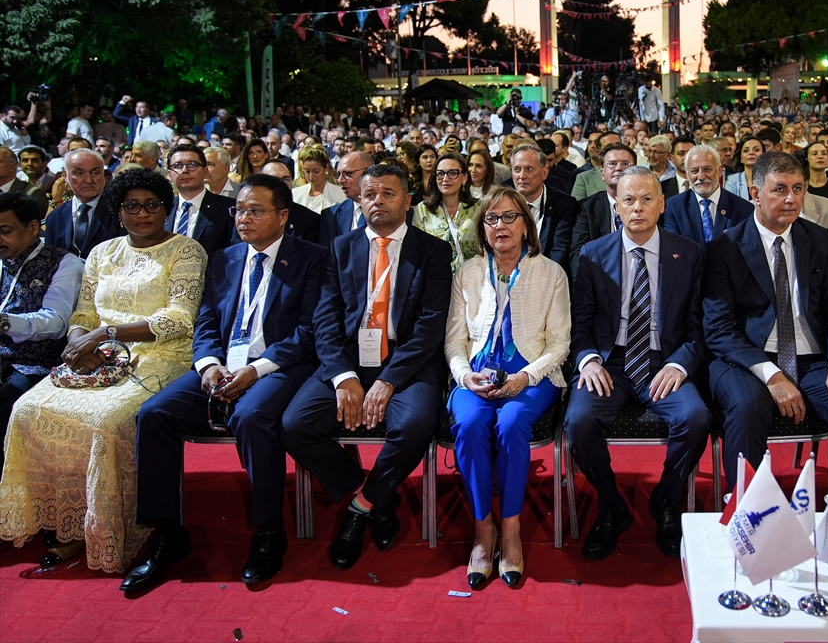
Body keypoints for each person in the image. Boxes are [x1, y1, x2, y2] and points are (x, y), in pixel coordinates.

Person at [121, 175, 326, 592]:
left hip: (277, 367)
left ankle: (269, 532)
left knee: (252, 417)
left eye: (255, 210)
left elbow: (308, 331)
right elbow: (207, 320)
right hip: (221, 367)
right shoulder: (223, 259)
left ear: (283, 216)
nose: (243, 219)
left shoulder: (312, 258)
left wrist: (256, 369)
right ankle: (168, 534)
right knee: (155, 414)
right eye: (239, 210)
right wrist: (209, 364)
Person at [0, 169, 207, 571]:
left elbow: (180, 319)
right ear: (118, 210)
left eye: (152, 205)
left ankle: (115, 525)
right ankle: (69, 522)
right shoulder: (102, 252)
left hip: (159, 356)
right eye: (131, 205)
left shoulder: (186, 250)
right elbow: (82, 311)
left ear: (166, 207)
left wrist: (103, 334)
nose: (142, 213)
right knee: (27, 409)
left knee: (106, 420)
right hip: (92, 354)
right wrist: (79, 343)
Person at [281, 164, 451, 571]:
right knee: (295, 425)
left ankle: (358, 508)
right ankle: (378, 495)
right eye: (370, 194)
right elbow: (324, 321)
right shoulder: (339, 248)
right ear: (359, 200)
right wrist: (345, 378)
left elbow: (430, 328)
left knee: (414, 424)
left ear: (408, 201)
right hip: (349, 362)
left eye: (389, 194)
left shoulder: (433, 251)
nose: (378, 201)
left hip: (407, 363)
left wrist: (389, 380)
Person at [702, 151, 828, 499]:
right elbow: (719, 328)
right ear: (754, 193)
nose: (791, 198)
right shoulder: (725, 247)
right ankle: (746, 511)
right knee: (746, 406)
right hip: (747, 359)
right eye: (780, 189)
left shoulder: (819, 239)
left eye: (798, 189)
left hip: (811, 358)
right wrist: (772, 375)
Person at [567, 167, 710, 560]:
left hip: (663, 362)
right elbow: (580, 324)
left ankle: (666, 498)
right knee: (578, 422)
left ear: (662, 204)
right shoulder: (593, 254)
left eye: (647, 198)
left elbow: (700, 326)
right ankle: (611, 505)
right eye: (628, 199)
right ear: (616, 206)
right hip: (609, 363)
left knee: (696, 418)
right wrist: (588, 360)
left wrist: (680, 365)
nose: (638, 207)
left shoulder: (689, 253)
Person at [445, 188, 570, 589]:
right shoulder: (466, 273)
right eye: (491, 219)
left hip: (531, 373)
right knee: (468, 424)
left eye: (510, 217)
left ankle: (511, 530)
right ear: (482, 228)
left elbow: (560, 345)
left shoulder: (551, 272)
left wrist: (525, 377)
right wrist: (465, 376)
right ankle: (484, 531)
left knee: (513, 423)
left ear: (526, 225)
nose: (501, 226)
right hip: (477, 373)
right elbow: (454, 341)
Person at [0, 193, 85, 442]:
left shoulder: (65, 264)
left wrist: (5, 322)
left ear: (34, 227)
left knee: (8, 400)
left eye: (5, 230)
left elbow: (57, 322)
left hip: (34, 363)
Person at [663, 145, 753, 247]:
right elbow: (673, 248)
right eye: (694, 171)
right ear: (687, 175)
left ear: (720, 171)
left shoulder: (743, 208)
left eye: (707, 169)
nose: (701, 176)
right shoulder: (674, 207)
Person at [570, 144, 637, 277]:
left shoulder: (648, 205)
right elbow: (579, 252)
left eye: (626, 163)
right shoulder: (586, 207)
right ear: (602, 174)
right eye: (612, 164)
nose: (619, 168)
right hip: (599, 279)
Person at [43, 149, 123, 258]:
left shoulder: (120, 211)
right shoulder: (55, 217)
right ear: (66, 176)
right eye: (79, 173)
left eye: (95, 173)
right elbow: (50, 261)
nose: (89, 180)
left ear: (103, 175)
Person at [509, 144, 576, 272]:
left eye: (529, 169)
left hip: (547, 275)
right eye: (517, 170)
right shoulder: (502, 203)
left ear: (544, 173)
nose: (522, 176)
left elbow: (560, 249)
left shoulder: (563, 203)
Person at [164, 144, 238, 256]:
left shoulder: (228, 208)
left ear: (205, 171)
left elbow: (235, 253)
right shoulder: (162, 208)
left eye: (192, 164)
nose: (185, 170)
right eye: (178, 165)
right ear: (169, 174)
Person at [413, 152, 478, 273]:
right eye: (440, 173)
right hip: (435, 278)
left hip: (472, 278)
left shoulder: (479, 208)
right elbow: (418, 250)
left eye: (453, 173)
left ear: (464, 178)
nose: (445, 179)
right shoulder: (423, 209)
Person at [319, 151, 375, 245]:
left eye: (348, 173)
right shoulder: (331, 215)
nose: (340, 180)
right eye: (338, 175)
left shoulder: (394, 210)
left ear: (369, 172)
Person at [261, 160, 321, 244]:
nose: (282, 184)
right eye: (275, 180)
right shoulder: (247, 215)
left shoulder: (310, 220)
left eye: (286, 179)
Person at [293, 145, 345, 212]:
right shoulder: (295, 194)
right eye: (307, 171)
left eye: (316, 171)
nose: (311, 176)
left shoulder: (340, 194)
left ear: (326, 168)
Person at [724, 136, 763, 200]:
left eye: (756, 150)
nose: (751, 153)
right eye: (746, 150)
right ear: (741, 158)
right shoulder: (732, 181)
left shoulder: (771, 179)